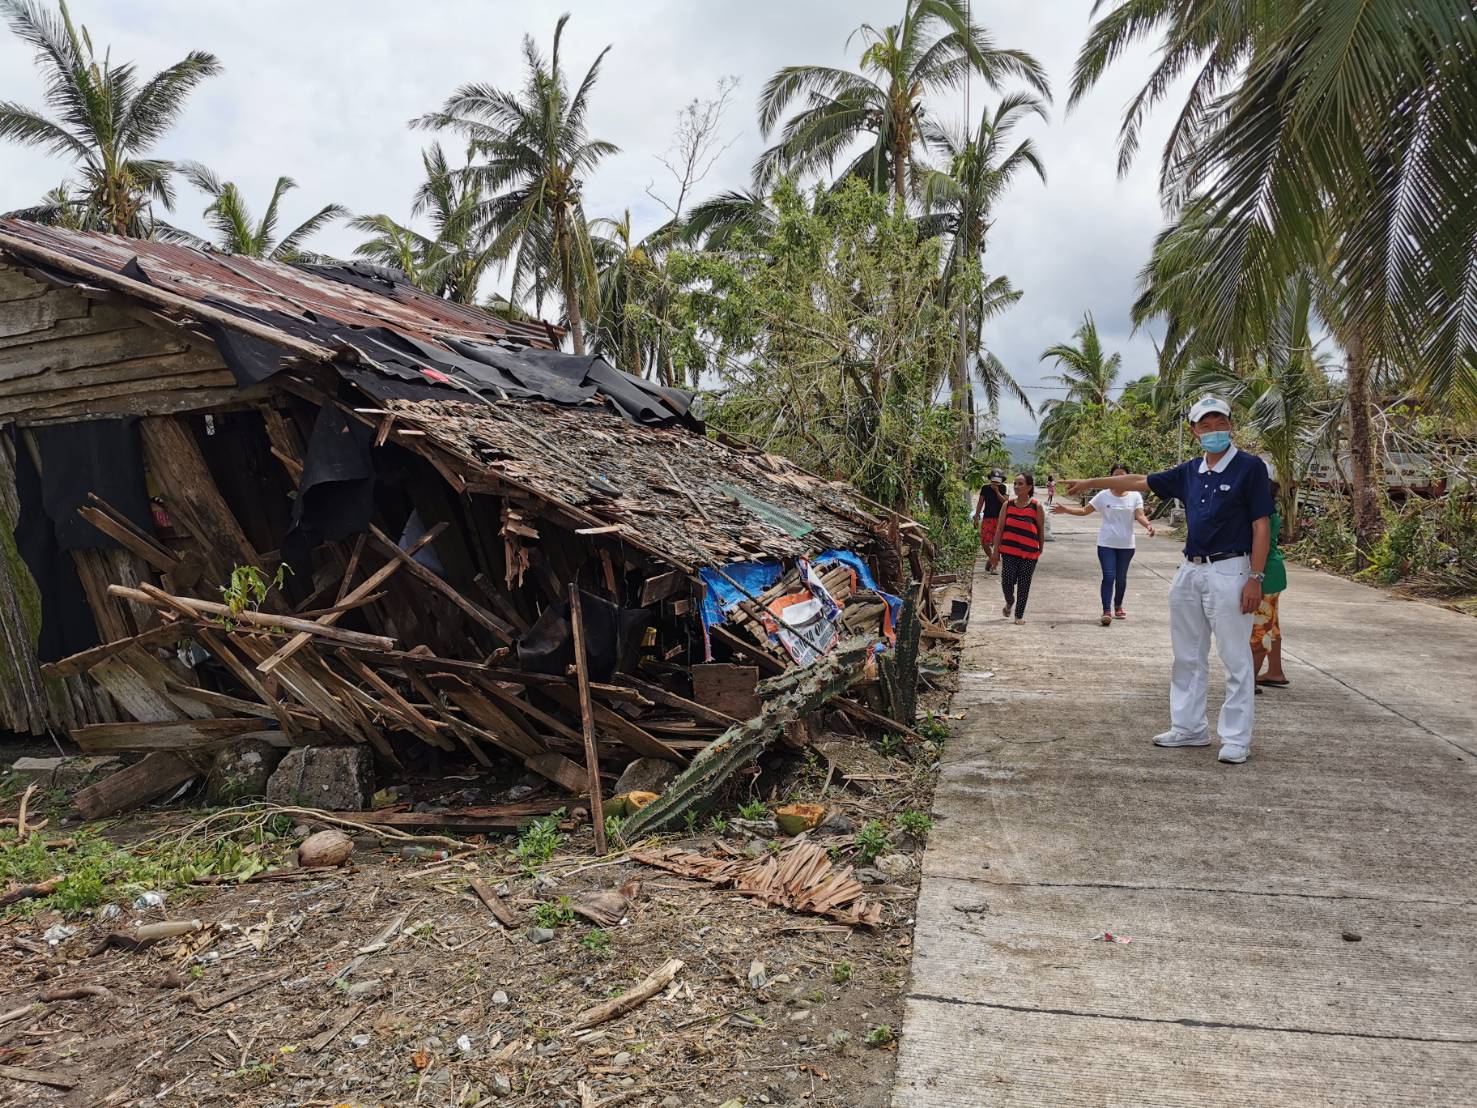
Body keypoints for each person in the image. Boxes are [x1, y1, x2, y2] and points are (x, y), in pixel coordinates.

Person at [1066, 396, 1273, 765]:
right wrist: (1089, 482)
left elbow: (1261, 525)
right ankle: (1189, 728)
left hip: (1231, 569)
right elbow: (1140, 481)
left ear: (1231, 426)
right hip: (1191, 569)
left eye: (1220, 424)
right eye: (1205, 426)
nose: (1214, 432)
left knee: (1235, 657)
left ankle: (1236, 737)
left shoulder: (1249, 467)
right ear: (1194, 431)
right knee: (1187, 654)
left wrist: (1255, 578)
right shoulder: (1191, 471)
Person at [1051, 462, 1155, 625]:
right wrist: (1066, 510)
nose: (1119, 478)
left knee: (1121, 578)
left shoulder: (1135, 495)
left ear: (1128, 477)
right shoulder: (1103, 495)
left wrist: (1148, 525)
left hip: (1127, 545)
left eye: (1123, 475)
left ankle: (1118, 605)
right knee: (1109, 576)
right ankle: (1106, 610)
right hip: (1106, 543)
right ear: (1110, 478)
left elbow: (1139, 515)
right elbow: (1085, 510)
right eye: (1115, 475)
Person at [987, 473, 1045, 624]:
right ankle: (1009, 601)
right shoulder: (1008, 505)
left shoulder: (1036, 506)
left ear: (1029, 487)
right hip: (1009, 552)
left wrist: (1040, 549)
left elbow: (1040, 529)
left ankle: (1019, 616)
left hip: (1029, 553)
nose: (1016, 487)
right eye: (1015, 484)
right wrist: (995, 552)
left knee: (1024, 585)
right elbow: (999, 529)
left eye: (1020, 484)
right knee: (1007, 581)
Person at [1252, 480, 1290, 688]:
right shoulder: (1270, 512)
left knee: (1260, 629)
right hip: (1274, 572)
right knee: (1270, 624)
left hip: (1265, 573)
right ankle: (1275, 671)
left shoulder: (1260, 515)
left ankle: (1248, 680)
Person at [971, 469, 1009, 573]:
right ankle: (992, 558)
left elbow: (1005, 502)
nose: (995, 483)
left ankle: (993, 565)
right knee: (984, 542)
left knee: (998, 543)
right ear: (990, 480)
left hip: (999, 518)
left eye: (997, 481)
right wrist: (976, 516)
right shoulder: (985, 488)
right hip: (987, 517)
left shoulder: (1003, 488)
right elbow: (980, 503)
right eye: (994, 481)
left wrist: (997, 491)